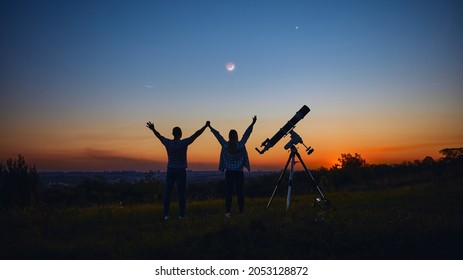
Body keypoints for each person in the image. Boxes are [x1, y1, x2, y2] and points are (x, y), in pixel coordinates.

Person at [146, 120, 209, 220]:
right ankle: (181, 216)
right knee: (181, 194)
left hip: (170, 170)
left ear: (172, 134)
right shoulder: (183, 143)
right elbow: (196, 135)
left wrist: (153, 129)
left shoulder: (168, 143)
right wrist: (205, 126)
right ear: (181, 134)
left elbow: (159, 136)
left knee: (168, 193)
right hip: (180, 171)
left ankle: (166, 215)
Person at [207, 116, 257, 217]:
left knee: (228, 193)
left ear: (229, 136)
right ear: (236, 136)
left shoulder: (225, 145)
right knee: (240, 192)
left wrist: (210, 127)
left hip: (229, 172)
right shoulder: (240, 145)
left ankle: (228, 212)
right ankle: (241, 212)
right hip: (239, 172)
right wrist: (252, 123)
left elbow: (218, 136)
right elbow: (247, 134)